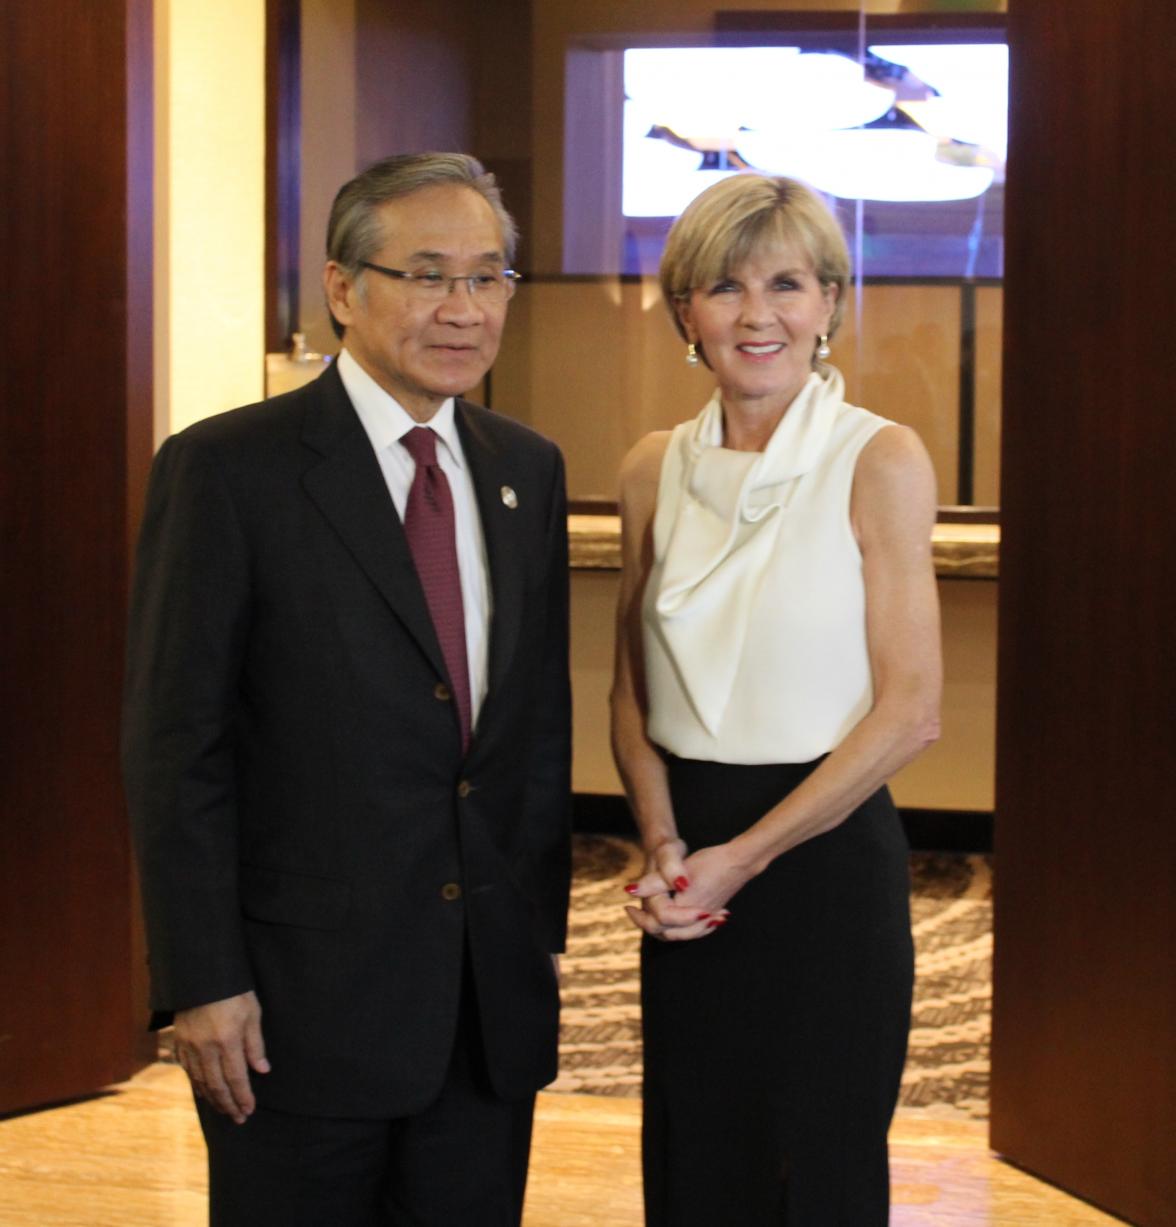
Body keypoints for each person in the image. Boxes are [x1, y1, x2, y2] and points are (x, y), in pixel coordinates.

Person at [122, 152, 571, 1227]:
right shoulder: (229, 472)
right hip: (295, 1012)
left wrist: (532, 937)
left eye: (487, 277)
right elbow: (174, 746)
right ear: (341, 288)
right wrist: (203, 980)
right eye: (426, 275)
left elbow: (530, 730)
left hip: (482, 1011)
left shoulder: (528, 470)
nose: (462, 309)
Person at [610, 173, 942, 1226]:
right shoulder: (651, 467)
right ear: (683, 313)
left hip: (822, 859)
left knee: (821, 1167)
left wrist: (739, 860)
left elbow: (911, 711)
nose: (759, 315)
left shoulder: (878, 458)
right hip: (688, 875)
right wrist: (664, 846)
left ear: (831, 303)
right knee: (699, 1158)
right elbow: (632, 687)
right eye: (725, 286)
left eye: (788, 284)